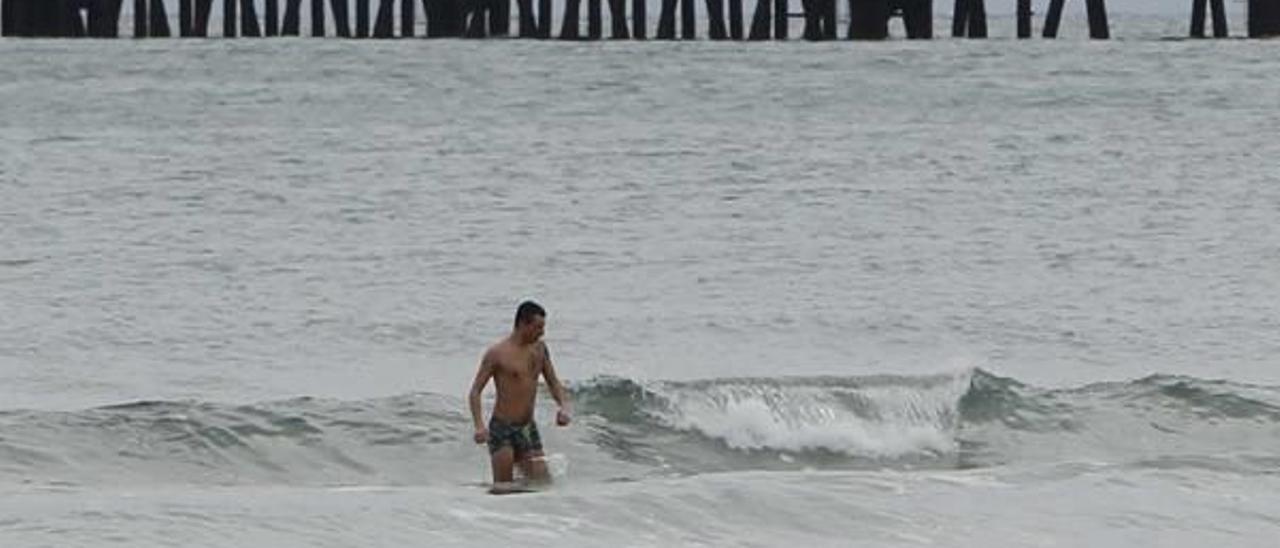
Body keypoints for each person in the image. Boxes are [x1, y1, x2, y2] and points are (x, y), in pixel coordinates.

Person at [468, 300, 571, 490]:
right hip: (502, 429)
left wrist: (564, 406)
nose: (542, 332)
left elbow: (553, 383)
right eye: (538, 327)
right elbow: (475, 392)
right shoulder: (497, 353)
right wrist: (479, 426)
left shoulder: (540, 349)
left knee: (542, 485)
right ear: (523, 324)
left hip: (527, 428)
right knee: (503, 489)